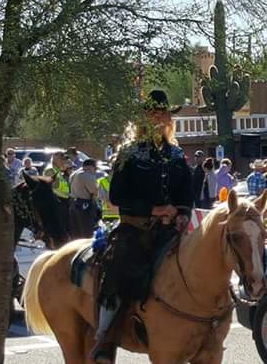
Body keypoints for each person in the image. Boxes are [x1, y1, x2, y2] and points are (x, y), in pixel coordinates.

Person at [92, 89, 193, 363]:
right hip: (135, 228)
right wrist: (154, 209)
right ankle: (105, 336)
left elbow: (186, 192)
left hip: (172, 228)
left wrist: (183, 213)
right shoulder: (129, 153)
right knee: (117, 268)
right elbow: (117, 197)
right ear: (144, 118)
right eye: (154, 113)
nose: (159, 118)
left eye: (163, 114)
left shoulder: (176, 154)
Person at [68, 159, 99, 239]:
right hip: (84, 206)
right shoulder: (86, 174)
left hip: (73, 203)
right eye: (95, 168)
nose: (95, 171)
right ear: (90, 167)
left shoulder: (74, 173)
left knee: (76, 232)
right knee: (86, 232)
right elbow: (94, 191)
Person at [44, 152, 71, 235]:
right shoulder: (50, 170)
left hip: (63, 202)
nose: (64, 162)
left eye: (64, 160)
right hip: (57, 203)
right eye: (61, 159)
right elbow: (52, 187)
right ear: (55, 159)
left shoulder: (57, 170)